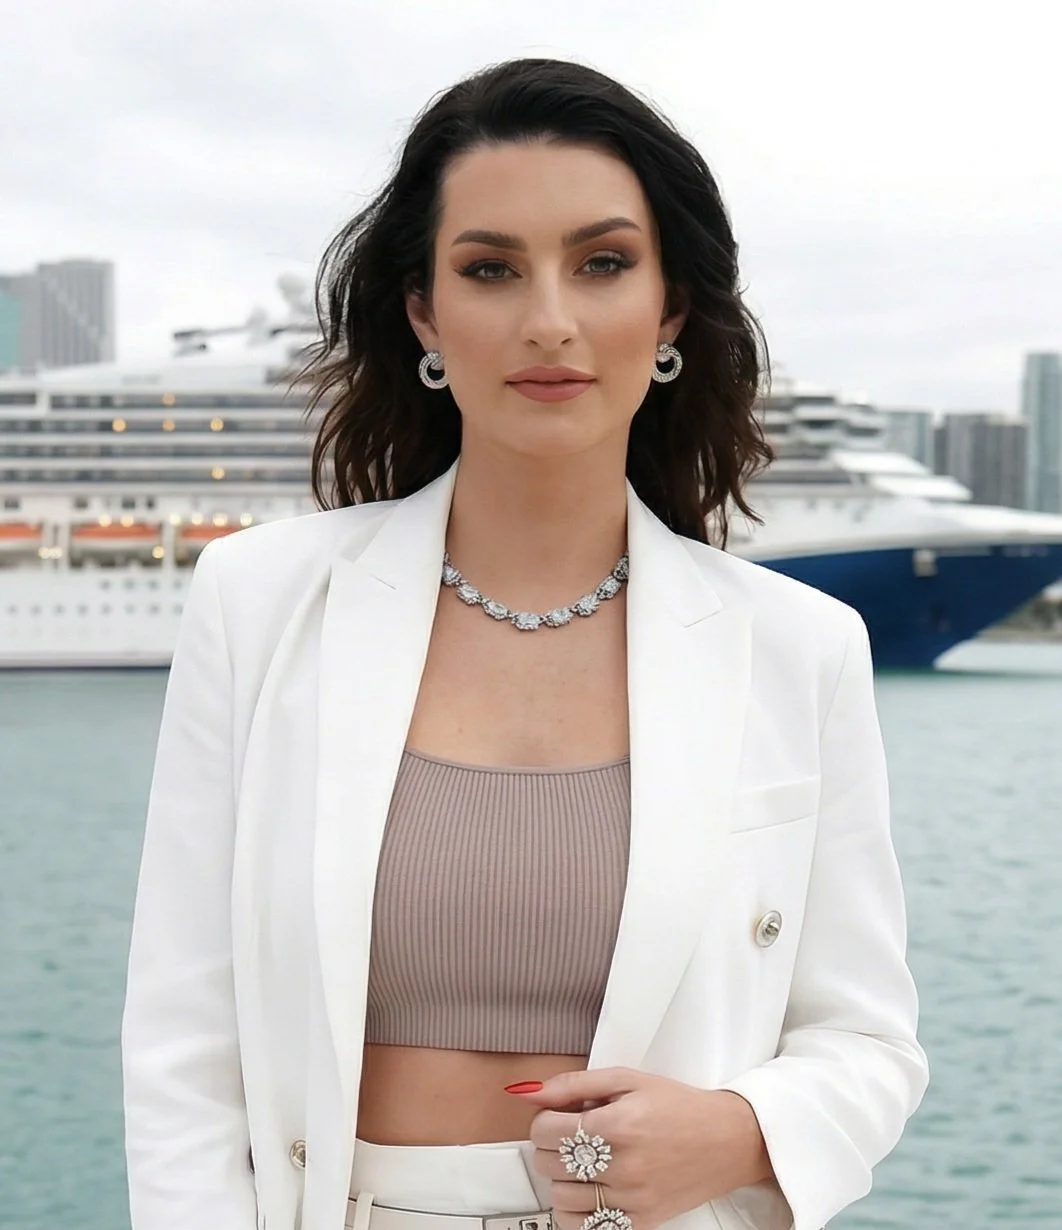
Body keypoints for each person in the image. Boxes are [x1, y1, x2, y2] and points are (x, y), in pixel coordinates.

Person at [121, 56, 929, 1230]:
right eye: (490, 269)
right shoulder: (259, 600)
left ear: (672, 311)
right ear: (421, 313)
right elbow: (182, 1042)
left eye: (602, 264)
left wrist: (742, 1132)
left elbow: (867, 1043)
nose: (548, 321)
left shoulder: (801, 648)